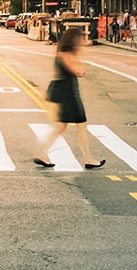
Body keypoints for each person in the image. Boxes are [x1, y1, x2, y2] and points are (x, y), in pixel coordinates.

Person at [32, 27, 105, 170]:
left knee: (62, 126)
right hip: (68, 92)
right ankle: (88, 159)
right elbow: (78, 71)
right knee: (81, 124)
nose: (82, 41)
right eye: (80, 38)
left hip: (65, 91)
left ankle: (42, 153)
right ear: (74, 40)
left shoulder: (62, 52)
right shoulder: (66, 53)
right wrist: (79, 55)